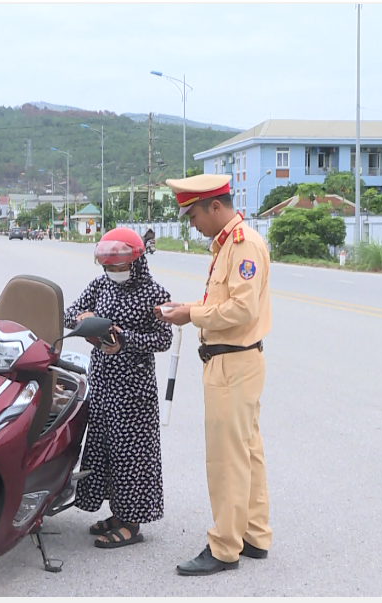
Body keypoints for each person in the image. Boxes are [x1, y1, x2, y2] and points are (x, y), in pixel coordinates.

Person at [154, 173, 273, 577]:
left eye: (193, 216)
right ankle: (255, 535)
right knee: (248, 452)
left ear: (215, 207)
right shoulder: (226, 246)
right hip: (233, 360)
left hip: (233, 363)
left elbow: (242, 311)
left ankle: (224, 547)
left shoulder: (244, 247)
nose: (191, 224)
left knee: (227, 459)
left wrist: (192, 314)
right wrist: (186, 308)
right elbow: (223, 302)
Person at [64, 228, 173, 549]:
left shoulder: (154, 294)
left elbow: (163, 339)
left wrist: (125, 339)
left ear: (136, 263)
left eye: (118, 267)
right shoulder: (100, 286)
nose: (113, 273)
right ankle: (117, 513)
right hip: (101, 384)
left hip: (134, 391)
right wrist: (85, 321)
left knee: (131, 456)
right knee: (105, 449)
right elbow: (71, 313)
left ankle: (132, 524)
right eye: (108, 267)